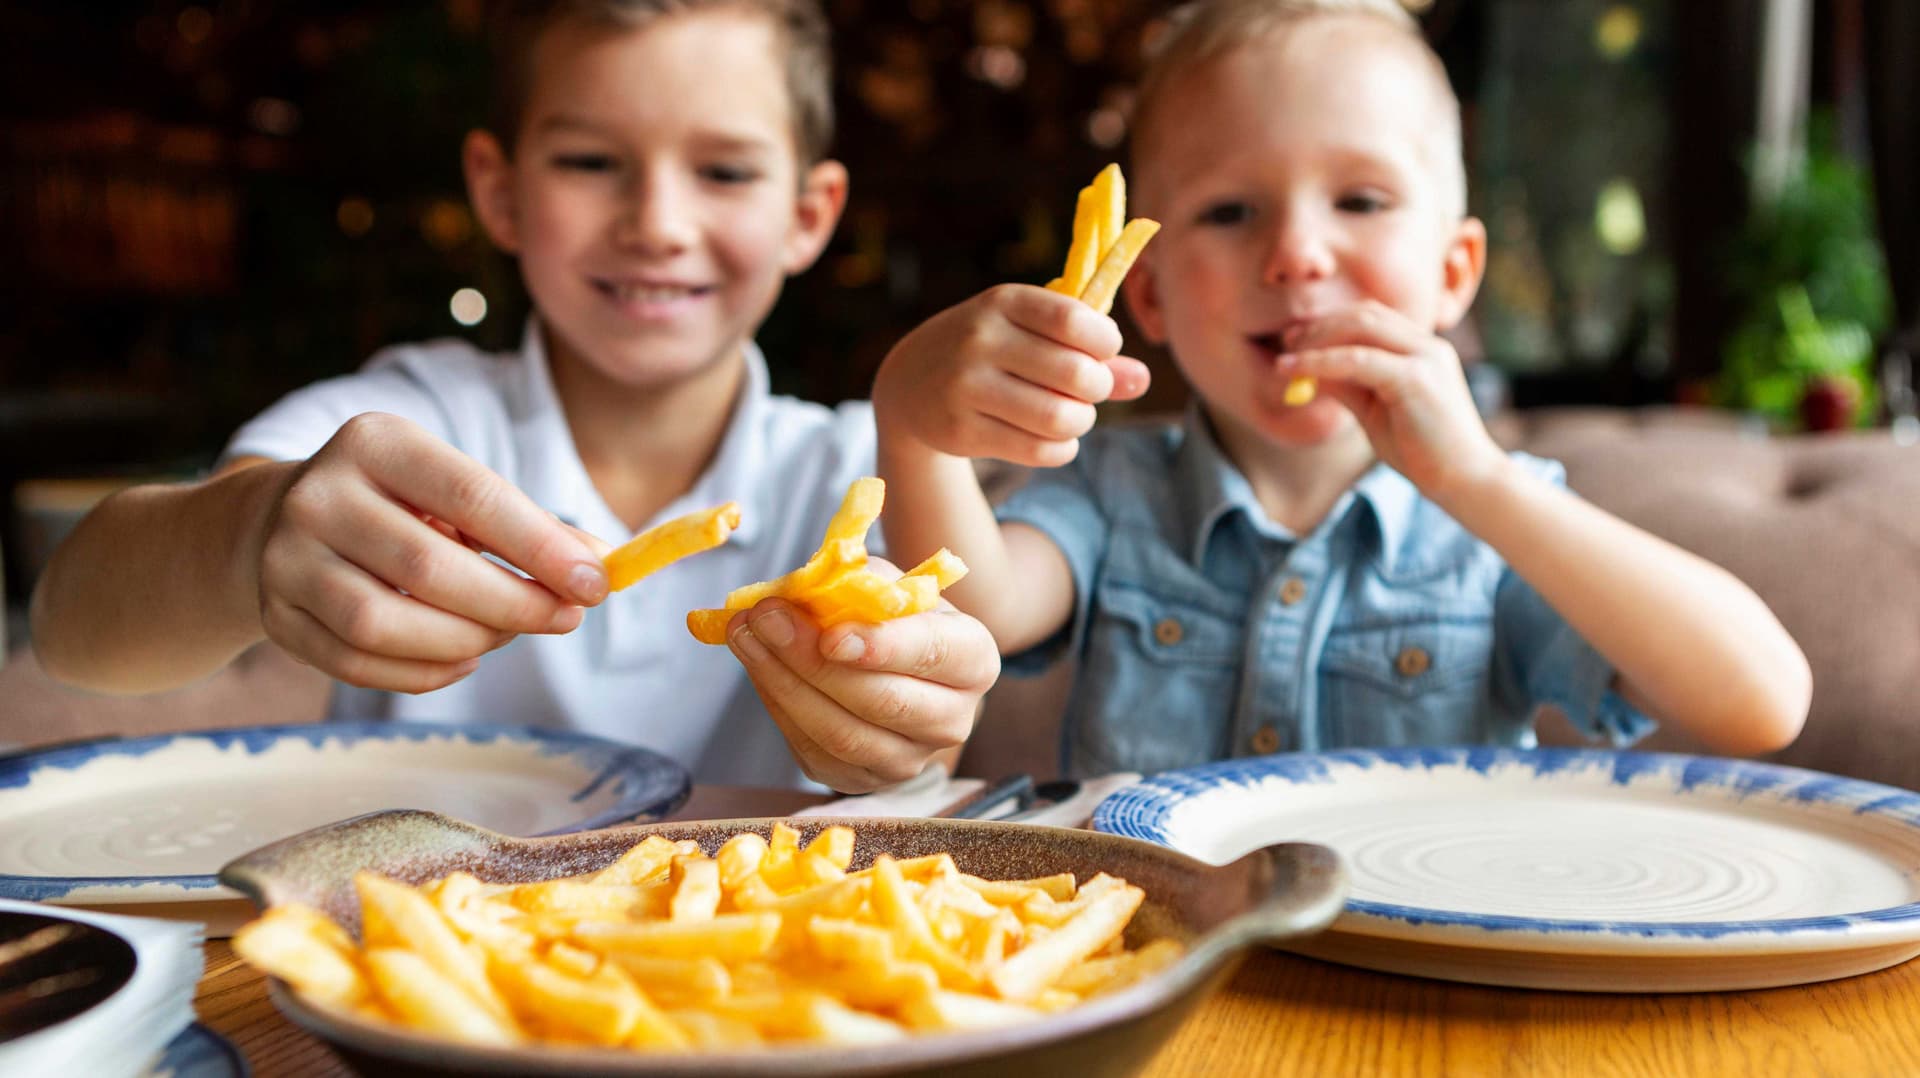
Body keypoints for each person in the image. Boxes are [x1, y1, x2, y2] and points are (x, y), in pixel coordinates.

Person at [26, 0, 999, 793]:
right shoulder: (415, 422)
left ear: (807, 215)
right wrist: (248, 538)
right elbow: (74, 622)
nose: (657, 223)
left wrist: (908, 732)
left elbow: (931, 752)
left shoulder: (862, 472)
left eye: (724, 171)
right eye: (589, 161)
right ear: (498, 191)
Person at [871, 0, 1810, 777]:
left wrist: (1479, 482)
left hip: (1419, 991)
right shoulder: (1113, 493)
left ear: (1453, 272)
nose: (1296, 255)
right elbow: (976, 616)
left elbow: (1760, 702)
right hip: (1168, 970)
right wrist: (915, 431)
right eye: (1231, 211)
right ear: (1146, 290)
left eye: (1360, 200)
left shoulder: (1494, 525)